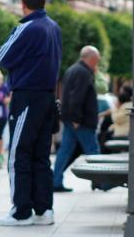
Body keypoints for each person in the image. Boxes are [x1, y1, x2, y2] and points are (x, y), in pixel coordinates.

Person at [0, 0, 62, 227]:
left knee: (19, 153)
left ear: (23, 4)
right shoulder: (54, 27)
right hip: (47, 97)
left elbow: (2, 56)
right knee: (41, 156)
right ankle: (44, 211)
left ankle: (21, 211)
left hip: (27, 97)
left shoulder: (27, 26)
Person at [52, 46, 102, 193]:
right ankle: (100, 181)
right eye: (96, 61)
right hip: (80, 121)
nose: (96, 64)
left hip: (72, 119)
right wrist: (76, 118)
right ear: (91, 59)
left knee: (65, 151)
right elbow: (76, 97)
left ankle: (55, 181)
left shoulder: (72, 70)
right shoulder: (83, 72)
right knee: (93, 151)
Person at [0, 71, 10, 166]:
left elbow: (9, 97)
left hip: (2, 115)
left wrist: (6, 100)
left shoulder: (4, 87)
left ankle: (0, 154)